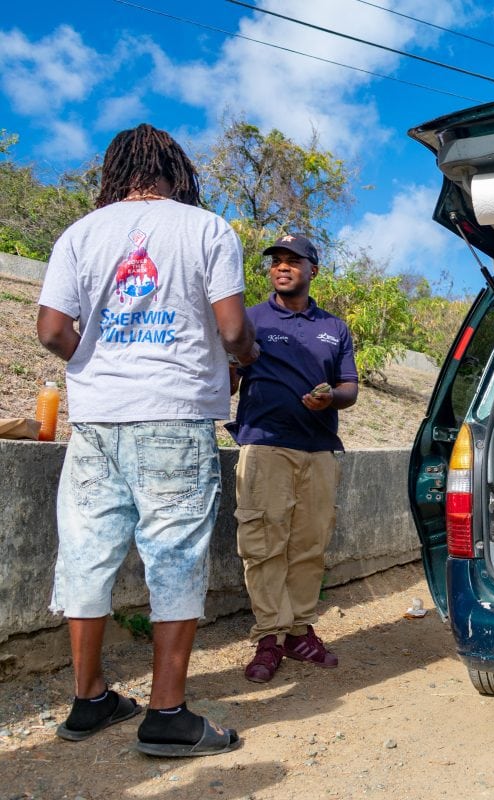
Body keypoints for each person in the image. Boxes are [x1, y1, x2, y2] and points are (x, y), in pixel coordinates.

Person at [36, 123, 258, 757]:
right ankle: (166, 713)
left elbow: (52, 329)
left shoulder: (80, 233)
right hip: (174, 414)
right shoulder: (206, 228)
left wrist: (99, 362)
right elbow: (233, 326)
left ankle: (89, 700)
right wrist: (244, 357)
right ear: (174, 169)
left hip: (97, 419)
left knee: (85, 551)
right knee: (175, 555)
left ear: (118, 170)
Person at [231, 233, 358, 683]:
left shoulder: (335, 328)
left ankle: (299, 631)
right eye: (276, 261)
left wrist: (331, 398)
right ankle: (269, 637)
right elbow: (227, 379)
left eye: (293, 261)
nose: (282, 267)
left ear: (313, 270)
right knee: (264, 545)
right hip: (264, 444)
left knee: (309, 545)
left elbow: (349, 388)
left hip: (319, 450)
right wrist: (231, 358)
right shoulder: (248, 320)